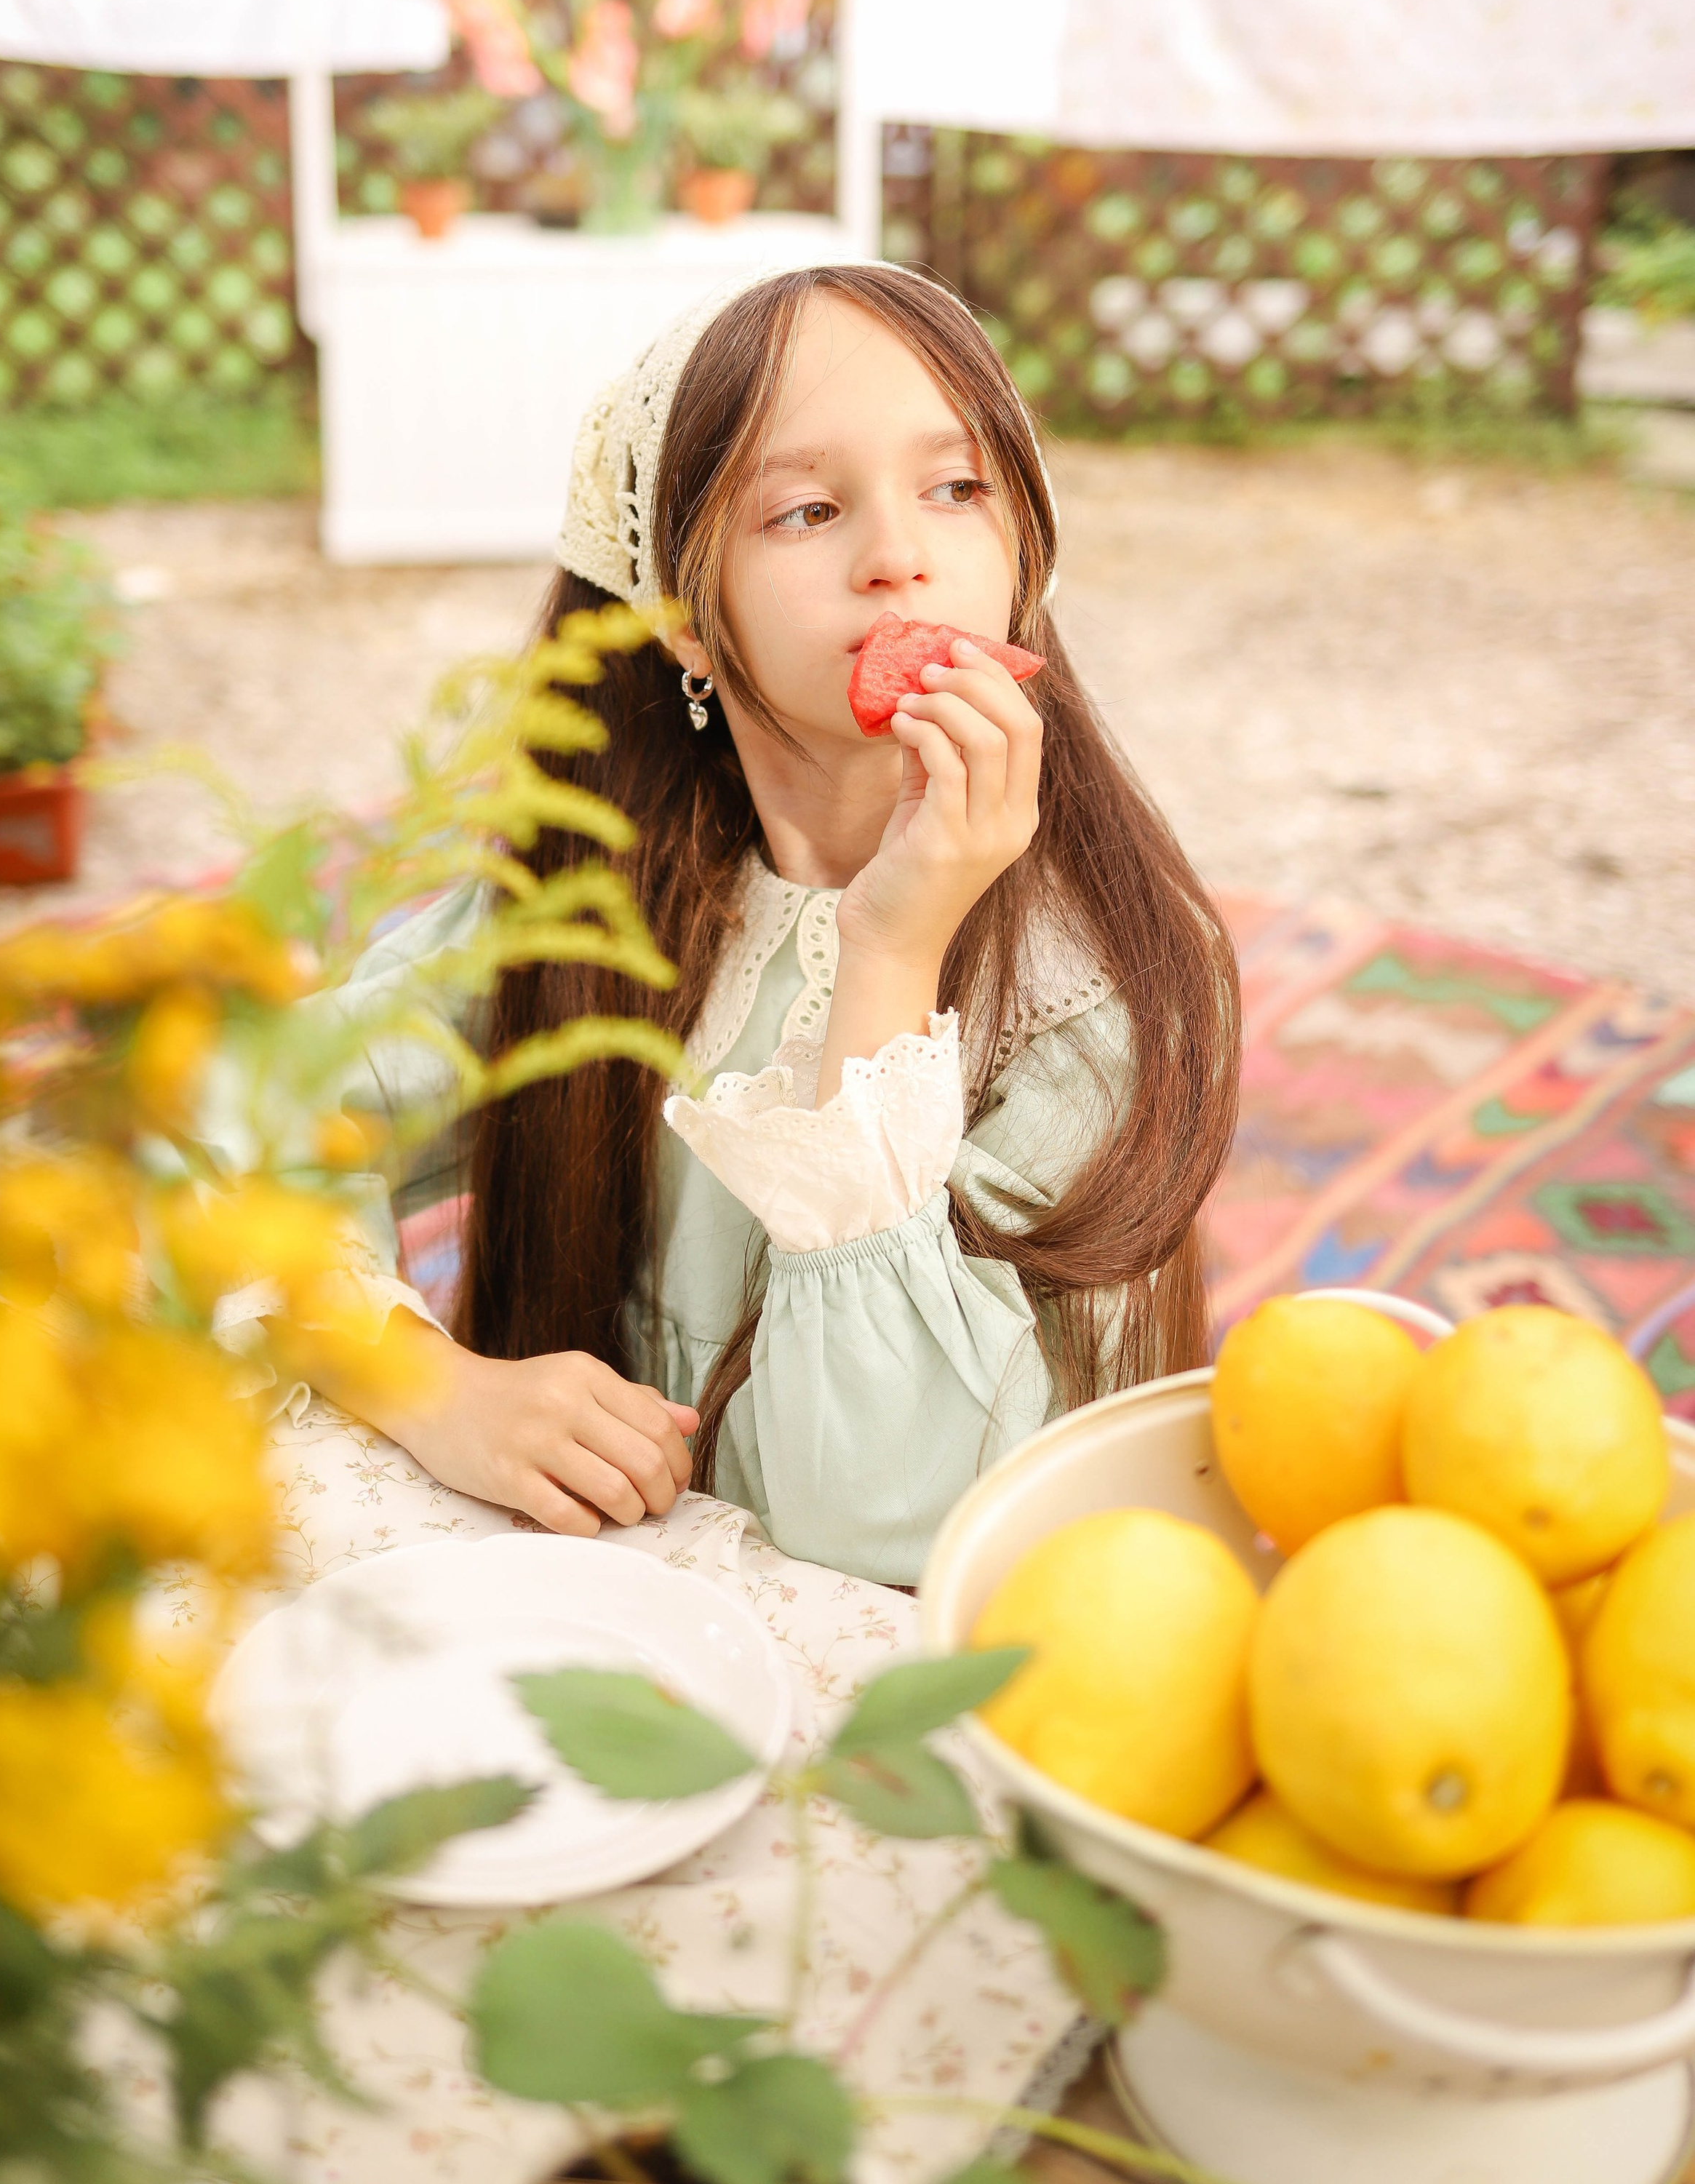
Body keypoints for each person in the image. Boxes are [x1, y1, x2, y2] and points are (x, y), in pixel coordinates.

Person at [316, 263, 1240, 1585]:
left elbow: (882, 1527)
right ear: (685, 622)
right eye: (808, 510)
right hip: (600, 1622)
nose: (899, 557)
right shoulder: (595, 909)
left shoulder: (1101, 988)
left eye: (958, 488)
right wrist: (430, 1386)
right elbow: (210, 1126)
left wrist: (893, 952)